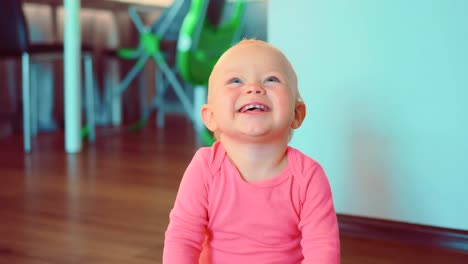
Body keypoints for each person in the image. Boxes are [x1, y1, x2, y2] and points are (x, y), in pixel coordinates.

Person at [163, 39, 340, 263]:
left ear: (297, 114)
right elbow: (183, 238)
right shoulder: (205, 168)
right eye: (235, 80)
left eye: (271, 79)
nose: (254, 88)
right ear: (211, 116)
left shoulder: (309, 177)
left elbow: (322, 249)